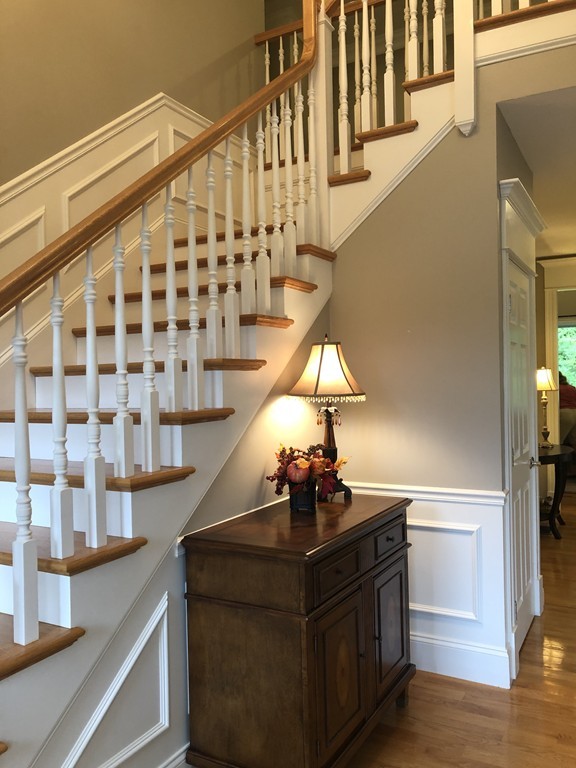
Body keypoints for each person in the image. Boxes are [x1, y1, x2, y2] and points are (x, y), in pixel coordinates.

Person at [559, 371, 576, 442]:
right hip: (575, 411)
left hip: (564, 414)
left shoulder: (557, 389)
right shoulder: (572, 388)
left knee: (558, 440)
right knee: (573, 440)